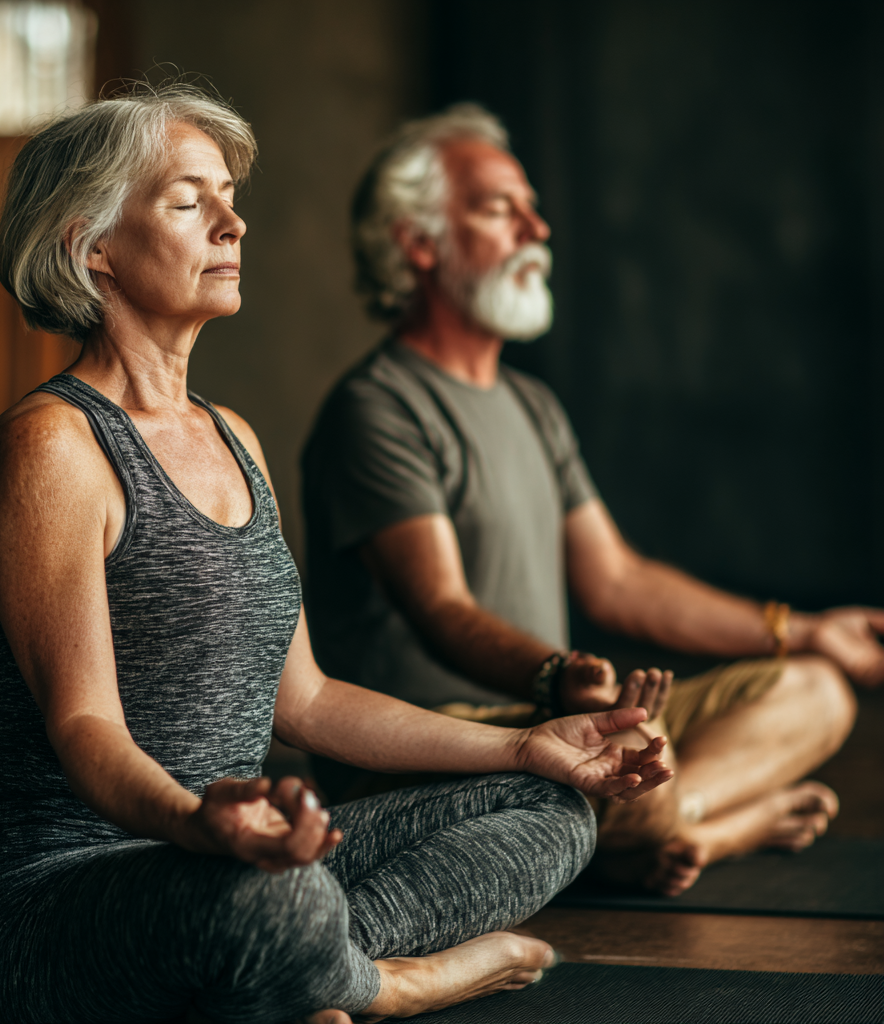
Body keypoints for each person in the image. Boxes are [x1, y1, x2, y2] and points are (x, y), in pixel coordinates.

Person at [0, 83, 674, 1024]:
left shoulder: (235, 437)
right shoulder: (50, 448)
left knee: (551, 809)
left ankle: (300, 967)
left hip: (239, 862)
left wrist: (528, 745)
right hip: (60, 898)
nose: (233, 223)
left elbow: (310, 701)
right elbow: (86, 727)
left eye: (229, 196)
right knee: (274, 898)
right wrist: (197, 826)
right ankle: (387, 982)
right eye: (186, 201)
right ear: (93, 249)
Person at [302, 104, 879, 897]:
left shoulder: (534, 406)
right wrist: (553, 678)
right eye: (502, 209)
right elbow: (440, 606)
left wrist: (810, 629)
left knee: (815, 686)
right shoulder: (377, 408)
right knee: (623, 761)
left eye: (533, 208)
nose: (538, 229)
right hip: (438, 751)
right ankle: (696, 824)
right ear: (419, 242)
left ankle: (680, 823)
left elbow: (619, 581)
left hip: (558, 729)